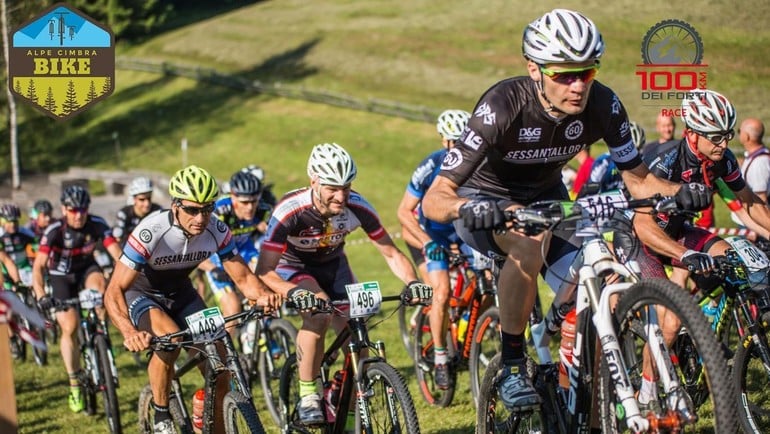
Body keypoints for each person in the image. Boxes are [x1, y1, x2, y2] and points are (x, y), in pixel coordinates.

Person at [421, 8, 710, 412]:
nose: (577, 86)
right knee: (526, 243)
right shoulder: (503, 105)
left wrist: (682, 190)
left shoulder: (604, 105)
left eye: (587, 72)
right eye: (564, 74)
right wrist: (469, 207)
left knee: (608, 280)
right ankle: (512, 364)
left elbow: (639, 179)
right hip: (488, 202)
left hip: (551, 201)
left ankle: (589, 393)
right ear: (535, 69)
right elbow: (435, 197)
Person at [256, 143, 432, 424]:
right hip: (294, 268)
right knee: (319, 314)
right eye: (332, 188)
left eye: (346, 187)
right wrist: (295, 294)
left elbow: (391, 252)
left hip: (334, 267)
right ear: (314, 180)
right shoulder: (290, 211)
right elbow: (264, 269)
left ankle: (348, 419)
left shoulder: (358, 207)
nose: (341, 196)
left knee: (359, 342)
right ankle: (308, 393)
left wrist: (412, 281)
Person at [618, 89, 770, 409]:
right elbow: (643, 226)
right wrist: (685, 256)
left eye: (727, 135)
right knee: (669, 321)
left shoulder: (722, 158)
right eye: (715, 137)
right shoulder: (666, 161)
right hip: (642, 237)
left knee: (730, 257)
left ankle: (702, 338)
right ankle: (646, 394)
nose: (724, 144)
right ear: (692, 132)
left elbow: (749, 203)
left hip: (677, 230)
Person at [103, 165, 281, 434]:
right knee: (171, 340)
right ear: (175, 205)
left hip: (182, 294)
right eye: (192, 209)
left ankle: (213, 423)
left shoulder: (217, 230)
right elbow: (114, 289)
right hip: (143, 294)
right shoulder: (151, 230)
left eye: (207, 209)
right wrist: (128, 331)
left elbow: (244, 279)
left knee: (220, 365)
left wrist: (265, 297)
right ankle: (162, 414)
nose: (200, 218)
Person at [397, 109, 490, 390]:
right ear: (442, 141)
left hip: (465, 232)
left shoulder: (481, 165)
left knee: (489, 283)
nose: (455, 149)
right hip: (434, 234)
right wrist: (426, 243)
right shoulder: (430, 166)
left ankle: (471, 330)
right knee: (441, 291)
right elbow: (404, 211)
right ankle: (439, 356)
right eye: (451, 142)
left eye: (461, 142)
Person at [32, 185, 122, 413]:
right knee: (69, 327)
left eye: (82, 209)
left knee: (101, 288)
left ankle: (101, 336)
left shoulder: (97, 224)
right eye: (73, 210)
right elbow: (39, 266)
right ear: (64, 209)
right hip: (61, 277)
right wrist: (41, 294)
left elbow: (118, 256)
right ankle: (74, 383)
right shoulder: (54, 230)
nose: (78, 215)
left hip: (86, 271)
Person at [199, 170, 270, 344]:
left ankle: (266, 333)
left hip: (245, 254)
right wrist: (212, 268)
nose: (250, 207)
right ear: (232, 196)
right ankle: (227, 358)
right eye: (244, 202)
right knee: (233, 309)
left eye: (254, 201)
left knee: (267, 286)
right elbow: (196, 249)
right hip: (218, 260)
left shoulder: (263, 211)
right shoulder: (219, 212)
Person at [583, 120, 646, 195]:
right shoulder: (604, 162)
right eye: (627, 152)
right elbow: (592, 186)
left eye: (637, 150)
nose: (632, 157)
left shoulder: (644, 160)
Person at [112, 177, 163, 247]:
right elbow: (117, 237)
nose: (147, 204)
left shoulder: (158, 210)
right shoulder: (124, 213)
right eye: (142, 199)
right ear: (134, 199)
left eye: (149, 198)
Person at [0, 204, 33, 289]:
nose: (13, 225)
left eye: (15, 221)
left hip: (24, 269)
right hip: (5, 272)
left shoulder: (26, 233)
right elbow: (6, 261)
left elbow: (38, 249)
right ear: (2, 222)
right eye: (9, 221)